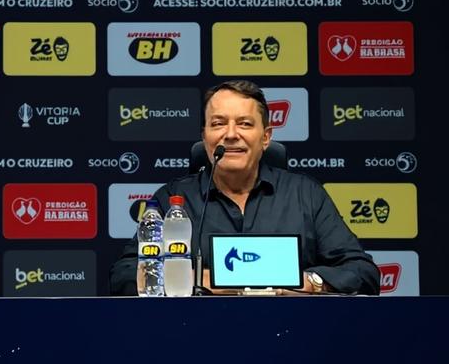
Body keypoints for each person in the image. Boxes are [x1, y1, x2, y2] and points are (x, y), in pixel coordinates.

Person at [110, 80, 380, 296]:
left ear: (265, 137)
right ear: (204, 137)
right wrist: (192, 278)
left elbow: (362, 272)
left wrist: (309, 283)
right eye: (218, 123)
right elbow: (123, 275)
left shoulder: (305, 194)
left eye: (244, 123)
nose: (230, 134)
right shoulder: (174, 200)